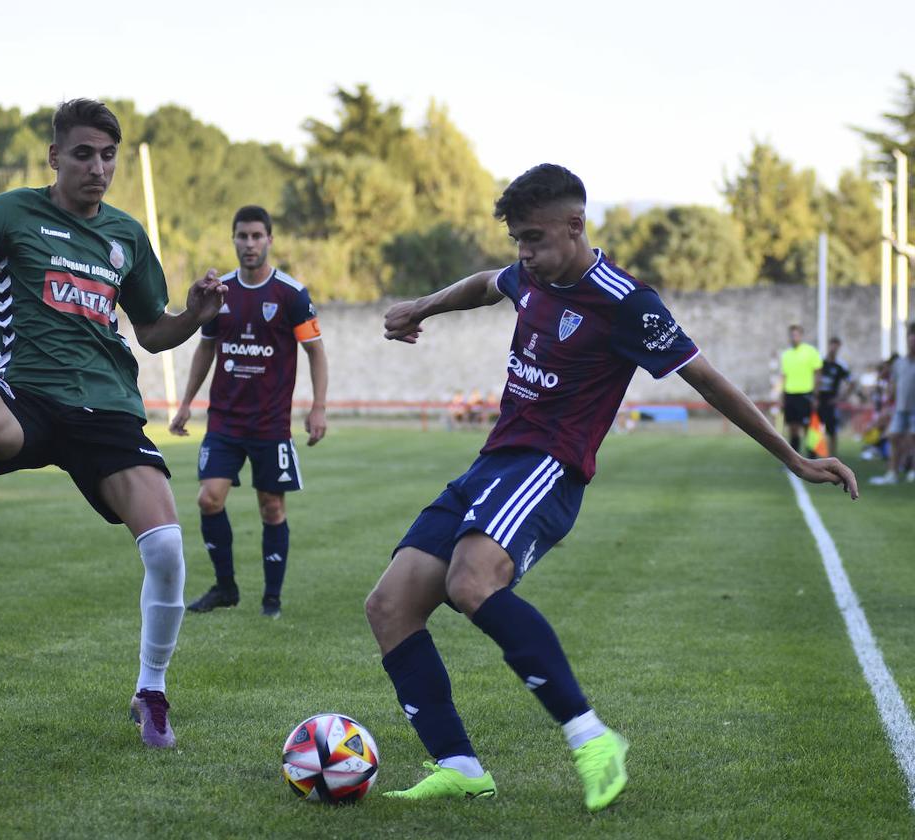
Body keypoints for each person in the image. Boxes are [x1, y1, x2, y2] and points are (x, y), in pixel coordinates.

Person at [364, 164, 858, 811]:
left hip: (549, 467)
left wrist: (794, 456)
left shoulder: (626, 302)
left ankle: (591, 738)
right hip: (493, 463)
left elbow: (706, 380)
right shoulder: (531, 275)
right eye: (517, 239)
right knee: (390, 606)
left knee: (470, 581)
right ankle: (459, 765)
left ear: (576, 225)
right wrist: (421, 307)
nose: (524, 254)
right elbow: (488, 284)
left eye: (534, 239)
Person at [0, 98, 228, 749]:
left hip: (108, 409)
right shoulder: (10, 213)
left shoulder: (127, 238)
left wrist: (194, 315)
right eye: (84, 153)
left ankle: (152, 691)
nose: (98, 167)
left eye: (108, 155)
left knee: (166, 549)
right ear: (55, 156)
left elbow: (155, 332)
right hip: (26, 396)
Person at [168, 206, 328, 618]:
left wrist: (318, 408)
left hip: (271, 424)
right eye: (242, 236)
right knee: (208, 498)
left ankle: (271, 598)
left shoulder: (292, 294)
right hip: (224, 420)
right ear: (233, 239)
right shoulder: (218, 291)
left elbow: (316, 351)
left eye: (257, 236)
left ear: (270, 240)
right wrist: (186, 403)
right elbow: (206, 348)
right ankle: (226, 588)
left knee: (272, 507)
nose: (250, 244)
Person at [869, 326, 915, 485]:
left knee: (912, 439)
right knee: (893, 437)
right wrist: (888, 404)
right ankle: (892, 473)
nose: (913, 340)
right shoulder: (899, 363)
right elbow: (893, 385)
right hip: (900, 408)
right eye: (911, 336)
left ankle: (912, 471)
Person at [780, 324, 823, 453]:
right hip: (790, 395)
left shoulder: (810, 351)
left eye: (796, 334)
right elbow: (784, 376)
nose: (794, 337)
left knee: (808, 427)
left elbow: (818, 374)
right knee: (793, 428)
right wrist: (782, 396)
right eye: (792, 335)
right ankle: (794, 460)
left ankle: (812, 457)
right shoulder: (786, 354)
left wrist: (815, 396)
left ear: (801, 336)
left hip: (806, 394)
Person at [816, 337, 851, 457]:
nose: (833, 348)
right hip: (819, 400)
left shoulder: (840, 365)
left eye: (836, 345)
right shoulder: (821, 362)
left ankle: (832, 456)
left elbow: (851, 383)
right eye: (832, 345)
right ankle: (814, 454)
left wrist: (841, 397)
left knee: (832, 431)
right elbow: (815, 379)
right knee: (815, 428)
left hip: (831, 401)